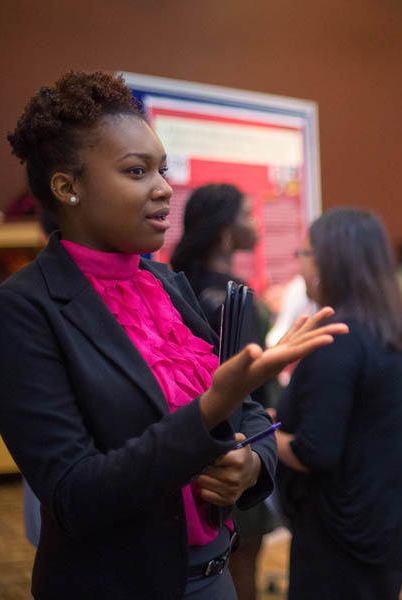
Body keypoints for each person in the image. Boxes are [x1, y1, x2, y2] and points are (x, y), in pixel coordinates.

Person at [0, 71, 347, 599]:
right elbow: (74, 495)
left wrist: (251, 466)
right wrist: (209, 410)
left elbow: (247, 417)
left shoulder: (165, 284)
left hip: (216, 576)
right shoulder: (21, 312)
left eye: (163, 169)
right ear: (68, 186)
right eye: (136, 171)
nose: (164, 188)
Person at [274, 208, 402, 599]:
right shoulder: (392, 330)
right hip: (387, 520)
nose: (301, 267)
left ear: (329, 262)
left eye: (304, 255)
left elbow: (314, 451)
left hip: (341, 535)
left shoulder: (336, 338)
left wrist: (262, 432)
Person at [170, 183, 277, 600]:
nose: (258, 226)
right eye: (249, 214)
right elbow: (250, 383)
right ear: (226, 232)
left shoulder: (177, 288)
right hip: (238, 443)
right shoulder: (234, 300)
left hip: (191, 442)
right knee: (243, 558)